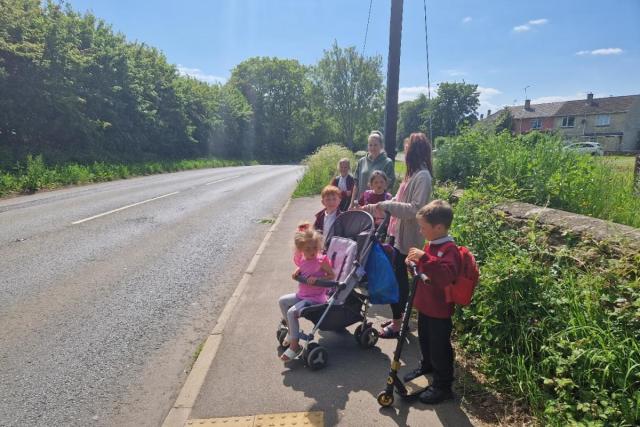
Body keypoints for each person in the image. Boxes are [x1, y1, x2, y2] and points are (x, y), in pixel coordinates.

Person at [361, 132, 433, 338]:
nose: (405, 150)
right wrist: (375, 208)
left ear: (415, 150)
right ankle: (399, 320)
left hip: (408, 237)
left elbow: (415, 208)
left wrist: (386, 205)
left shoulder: (423, 177)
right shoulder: (413, 174)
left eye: (407, 147)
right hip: (396, 233)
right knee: (397, 278)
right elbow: (396, 205)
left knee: (400, 281)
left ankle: (398, 324)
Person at [404, 199, 459, 404]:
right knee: (425, 340)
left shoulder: (449, 250)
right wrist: (412, 264)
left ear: (438, 228)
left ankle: (443, 386)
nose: (420, 231)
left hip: (439, 310)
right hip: (426, 306)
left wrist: (424, 259)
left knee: (440, 348)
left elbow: (445, 276)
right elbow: (424, 271)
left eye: (423, 227)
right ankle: (427, 366)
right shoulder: (431, 244)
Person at [278, 223, 335, 362]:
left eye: (315, 248)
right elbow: (302, 268)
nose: (312, 251)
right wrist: (297, 272)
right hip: (303, 295)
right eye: (308, 249)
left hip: (316, 298)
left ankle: (294, 345)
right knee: (282, 301)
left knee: (292, 312)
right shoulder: (302, 259)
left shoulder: (321, 260)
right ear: (301, 249)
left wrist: (318, 278)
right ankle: (292, 332)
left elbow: (332, 276)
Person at [351, 131, 395, 207]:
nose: (372, 148)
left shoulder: (388, 163)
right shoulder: (361, 161)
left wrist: (385, 206)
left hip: (378, 206)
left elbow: (388, 187)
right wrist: (351, 204)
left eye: (375, 145)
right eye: (370, 145)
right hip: (361, 204)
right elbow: (356, 185)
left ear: (381, 146)